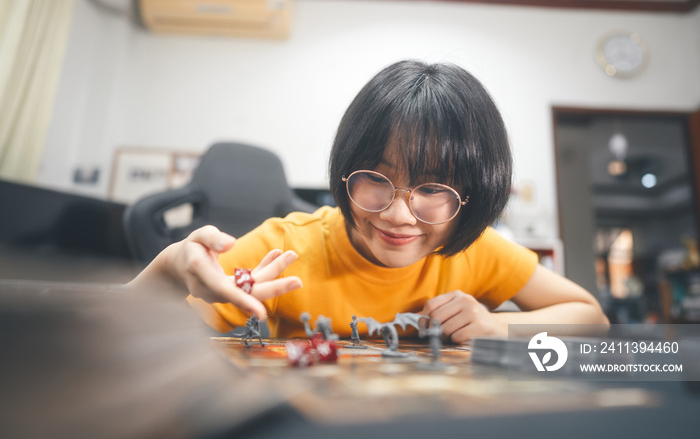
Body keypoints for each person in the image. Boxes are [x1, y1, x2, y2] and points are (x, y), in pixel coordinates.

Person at [128, 60, 609, 343]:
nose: (399, 214)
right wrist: (170, 267)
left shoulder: (473, 250)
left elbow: (591, 316)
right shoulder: (285, 249)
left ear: (472, 194)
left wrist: (499, 329)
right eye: (377, 178)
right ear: (344, 172)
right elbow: (116, 336)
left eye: (433, 189)